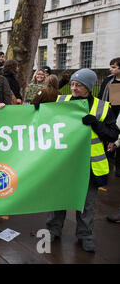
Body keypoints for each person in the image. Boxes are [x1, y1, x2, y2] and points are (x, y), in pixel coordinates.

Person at [47, 68, 119, 252]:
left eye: (78, 85)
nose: (74, 88)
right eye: (72, 84)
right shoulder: (61, 102)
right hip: (64, 163)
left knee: (87, 203)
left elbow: (112, 133)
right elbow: (43, 120)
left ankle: (85, 235)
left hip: (89, 165)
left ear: (88, 86)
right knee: (58, 199)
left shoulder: (102, 107)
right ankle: (53, 230)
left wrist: (96, 123)